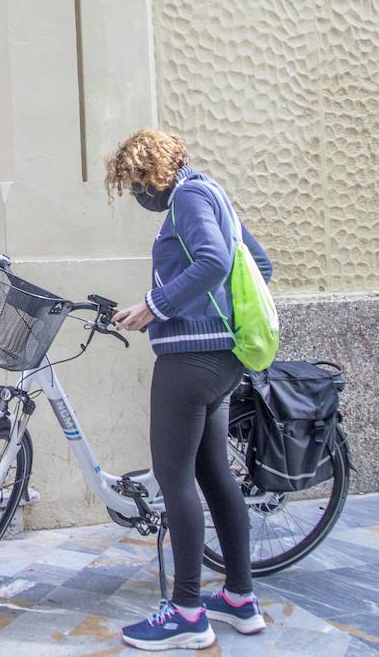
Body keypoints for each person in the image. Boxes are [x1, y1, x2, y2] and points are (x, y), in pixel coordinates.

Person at [104, 128, 272, 651]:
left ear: (152, 170)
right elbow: (257, 264)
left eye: (134, 181)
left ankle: (187, 611)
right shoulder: (212, 192)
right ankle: (240, 600)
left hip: (188, 359)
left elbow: (216, 262)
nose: (137, 194)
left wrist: (156, 306)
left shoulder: (187, 198)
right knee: (214, 474)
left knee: (175, 480)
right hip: (221, 359)